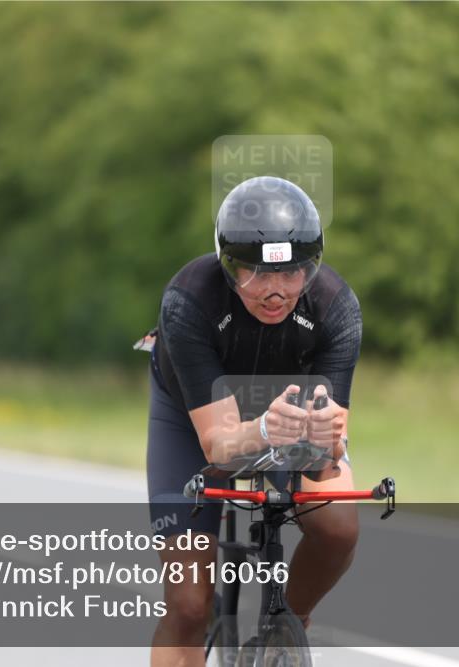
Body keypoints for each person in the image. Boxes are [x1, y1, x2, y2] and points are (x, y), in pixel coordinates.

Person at [146, 176, 363, 665]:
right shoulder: (190, 299)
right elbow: (219, 446)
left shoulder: (336, 308)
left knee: (339, 527)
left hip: (287, 411)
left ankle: (287, 623)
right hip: (193, 417)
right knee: (187, 604)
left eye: (292, 274)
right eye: (256, 274)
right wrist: (264, 430)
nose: (275, 292)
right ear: (228, 265)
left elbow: (330, 452)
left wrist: (328, 442)